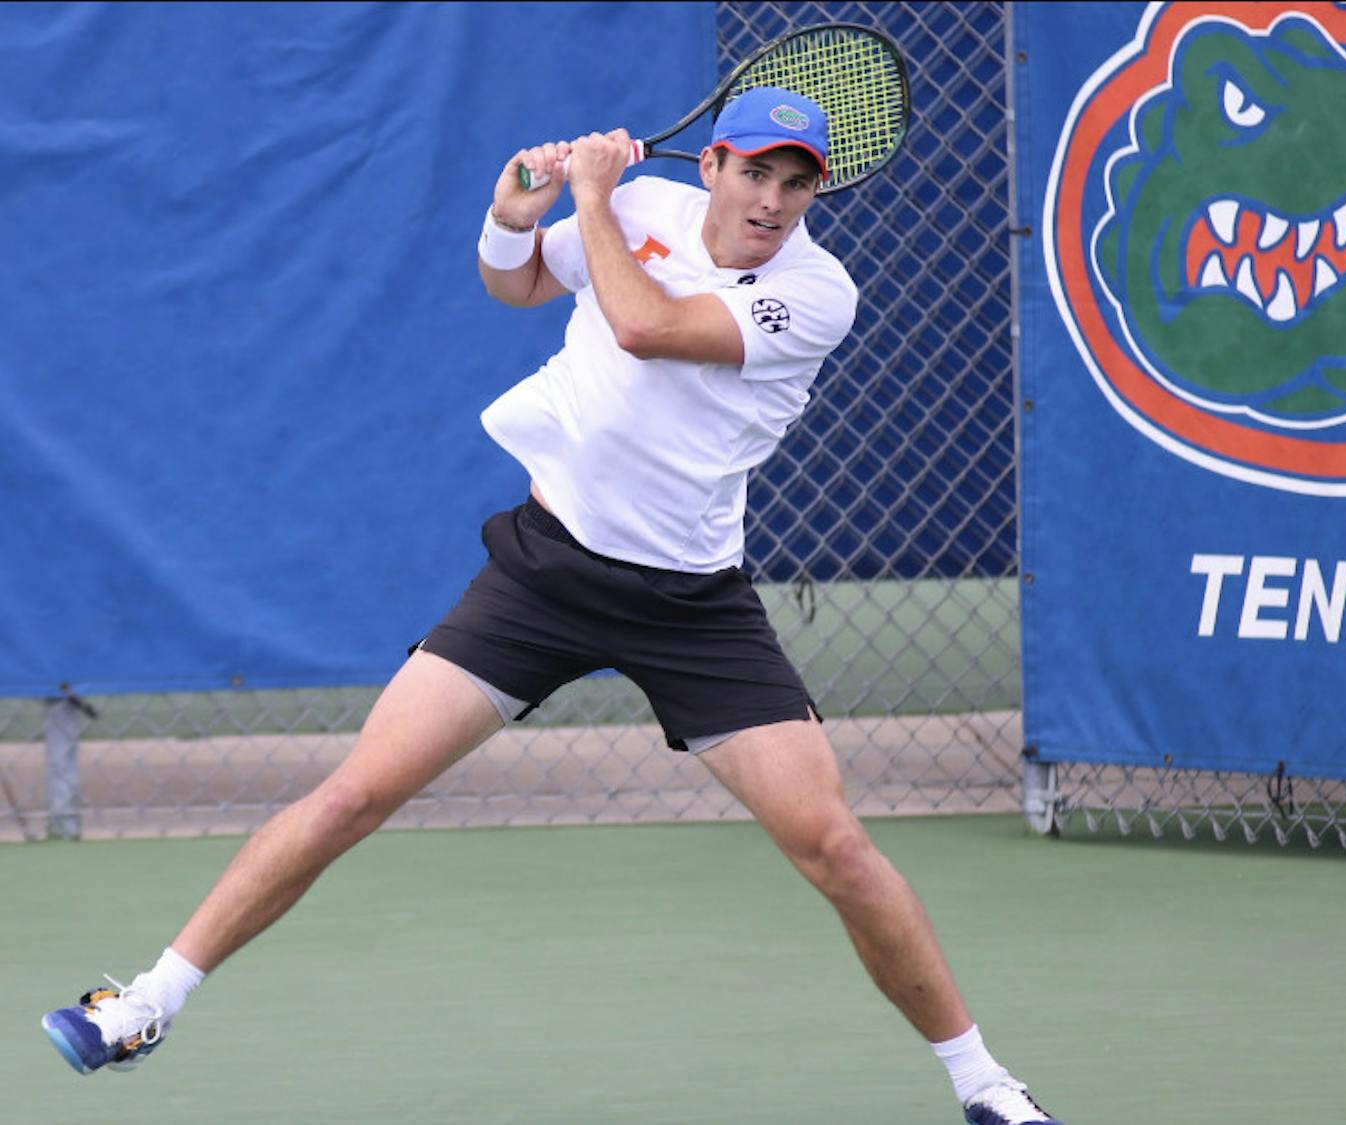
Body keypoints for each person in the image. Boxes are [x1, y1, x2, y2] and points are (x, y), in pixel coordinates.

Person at [40, 87, 1061, 1125]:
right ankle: (147, 1004)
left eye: (796, 184)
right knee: (355, 794)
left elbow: (647, 326)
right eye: (755, 172)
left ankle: (984, 1084)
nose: (772, 200)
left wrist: (594, 194)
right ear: (712, 165)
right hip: (544, 573)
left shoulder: (817, 291)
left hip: (691, 605)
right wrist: (511, 216)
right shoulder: (647, 209)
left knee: (834, 846)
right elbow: (518, 283)